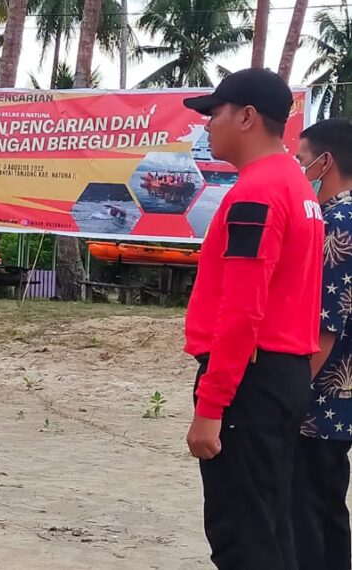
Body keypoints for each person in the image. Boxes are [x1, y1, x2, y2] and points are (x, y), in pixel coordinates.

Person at [181, 68, 324, 570]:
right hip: (280, 374)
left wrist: (211, 404)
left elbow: (243, 311)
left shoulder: (256, 193)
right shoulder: (296, 186)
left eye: (213, 114)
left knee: (242, 535)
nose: (206, 126)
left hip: (249, 380)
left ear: (245, 117)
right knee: (271, 525)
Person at [292, 117, 352, 570]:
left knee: (306, 513)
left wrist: (289, 399)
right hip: (340, 400)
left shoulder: (335, 223)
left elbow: (323, 327)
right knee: (329, 510)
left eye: (301, 160)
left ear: (324, 162)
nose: (297, 168)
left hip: (321, 400)